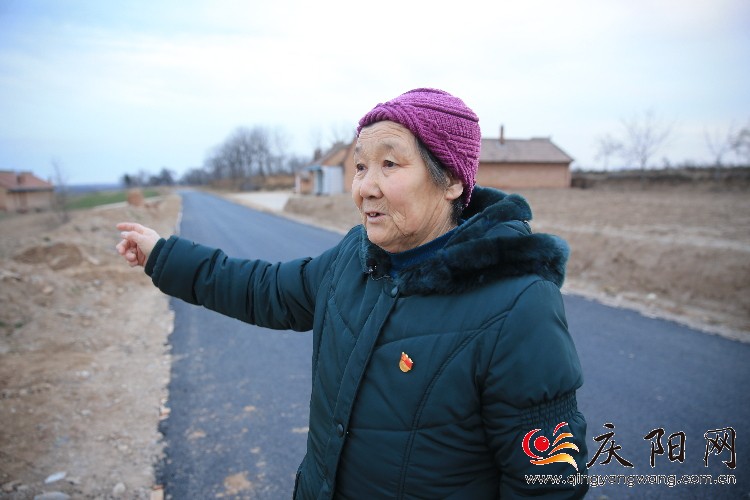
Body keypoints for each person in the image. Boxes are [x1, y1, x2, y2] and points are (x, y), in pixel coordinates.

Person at [117, 88, 589, 498]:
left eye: (389, 164)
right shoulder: (354, 258)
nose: (365, 187)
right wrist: (164, 256)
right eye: (360, 166)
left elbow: (549, 482)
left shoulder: (519, 305)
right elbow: (264, 288)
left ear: (450, 179)